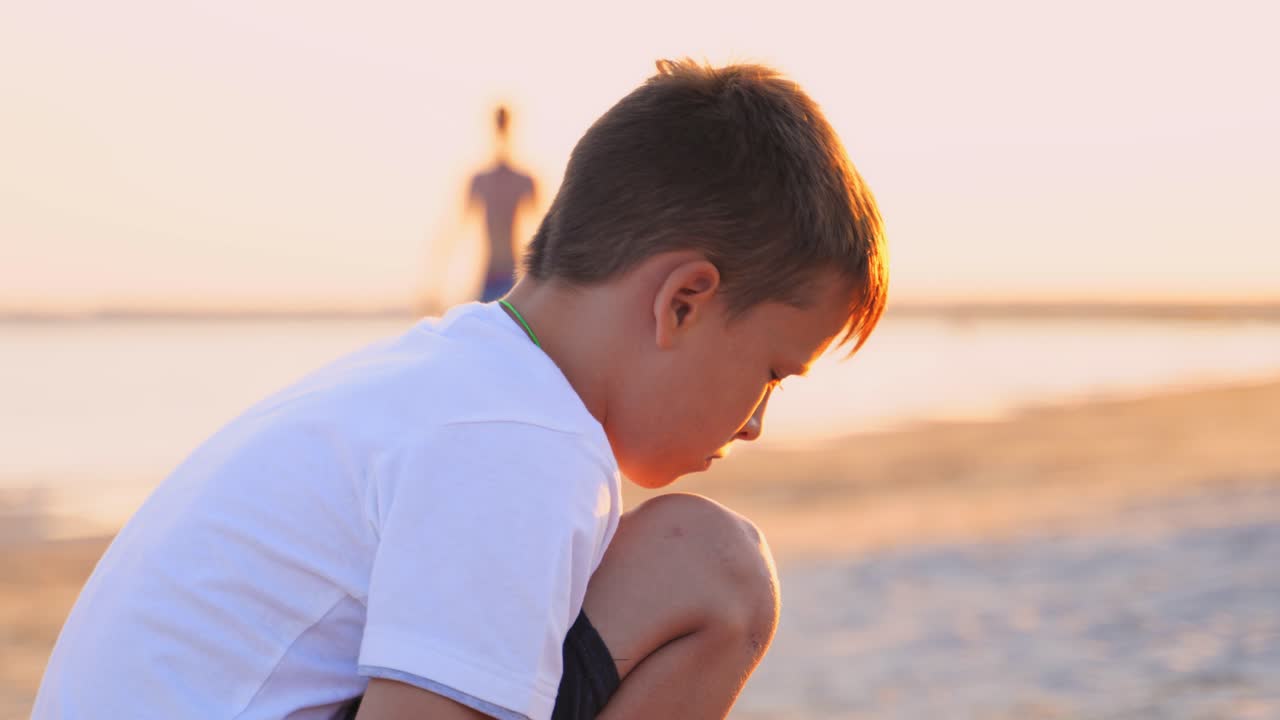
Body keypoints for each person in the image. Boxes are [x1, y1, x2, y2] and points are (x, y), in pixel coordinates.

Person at [33, 59, 887, 720]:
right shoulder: (521, 441)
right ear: (683, 302)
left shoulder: (447, 381)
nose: (756, 427)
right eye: (771, 375)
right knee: (717, 571)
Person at [468, 105, 537, 302]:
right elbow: (456, 231)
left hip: (512, 276)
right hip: (488, 275)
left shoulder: (523, 180)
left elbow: (542, 232)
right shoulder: (480, 180)